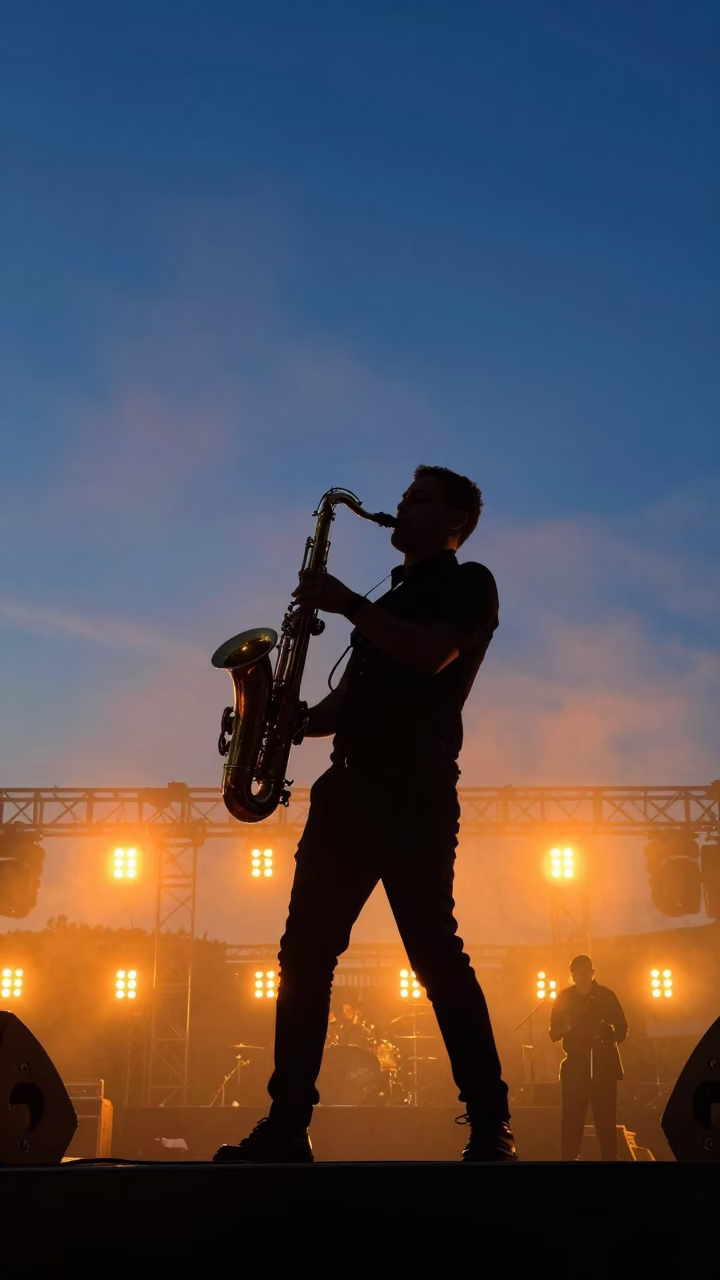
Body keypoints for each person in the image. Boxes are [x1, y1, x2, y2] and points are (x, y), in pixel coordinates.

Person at [214, 465, 515, 1163]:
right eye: (405, 496)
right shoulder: (392, 593)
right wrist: (285, 720)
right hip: (347, 790)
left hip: (414, 788)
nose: (401, 505)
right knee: (304, 956)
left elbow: (431, 653)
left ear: (454, 525)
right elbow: (346, 703)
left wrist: (350, 605)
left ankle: (490, 1123)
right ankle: (288, 1125)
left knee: (435, 955)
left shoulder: (469, 583)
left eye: (418, 499)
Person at [549, 954, 628, 1161]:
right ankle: (569, 1161)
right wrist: (569, 1026)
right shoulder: (564, 998)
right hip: (575, 1064)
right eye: (578, 971)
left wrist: (604, 1039)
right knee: (572, 1120)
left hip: (602, 1064)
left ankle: (609, 1163)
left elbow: (622, 1029)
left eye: (585, 971)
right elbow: (553, 1033)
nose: (582, 976)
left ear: (592, 973)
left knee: (605, 1120)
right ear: (572, 974)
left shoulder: (606, 996)